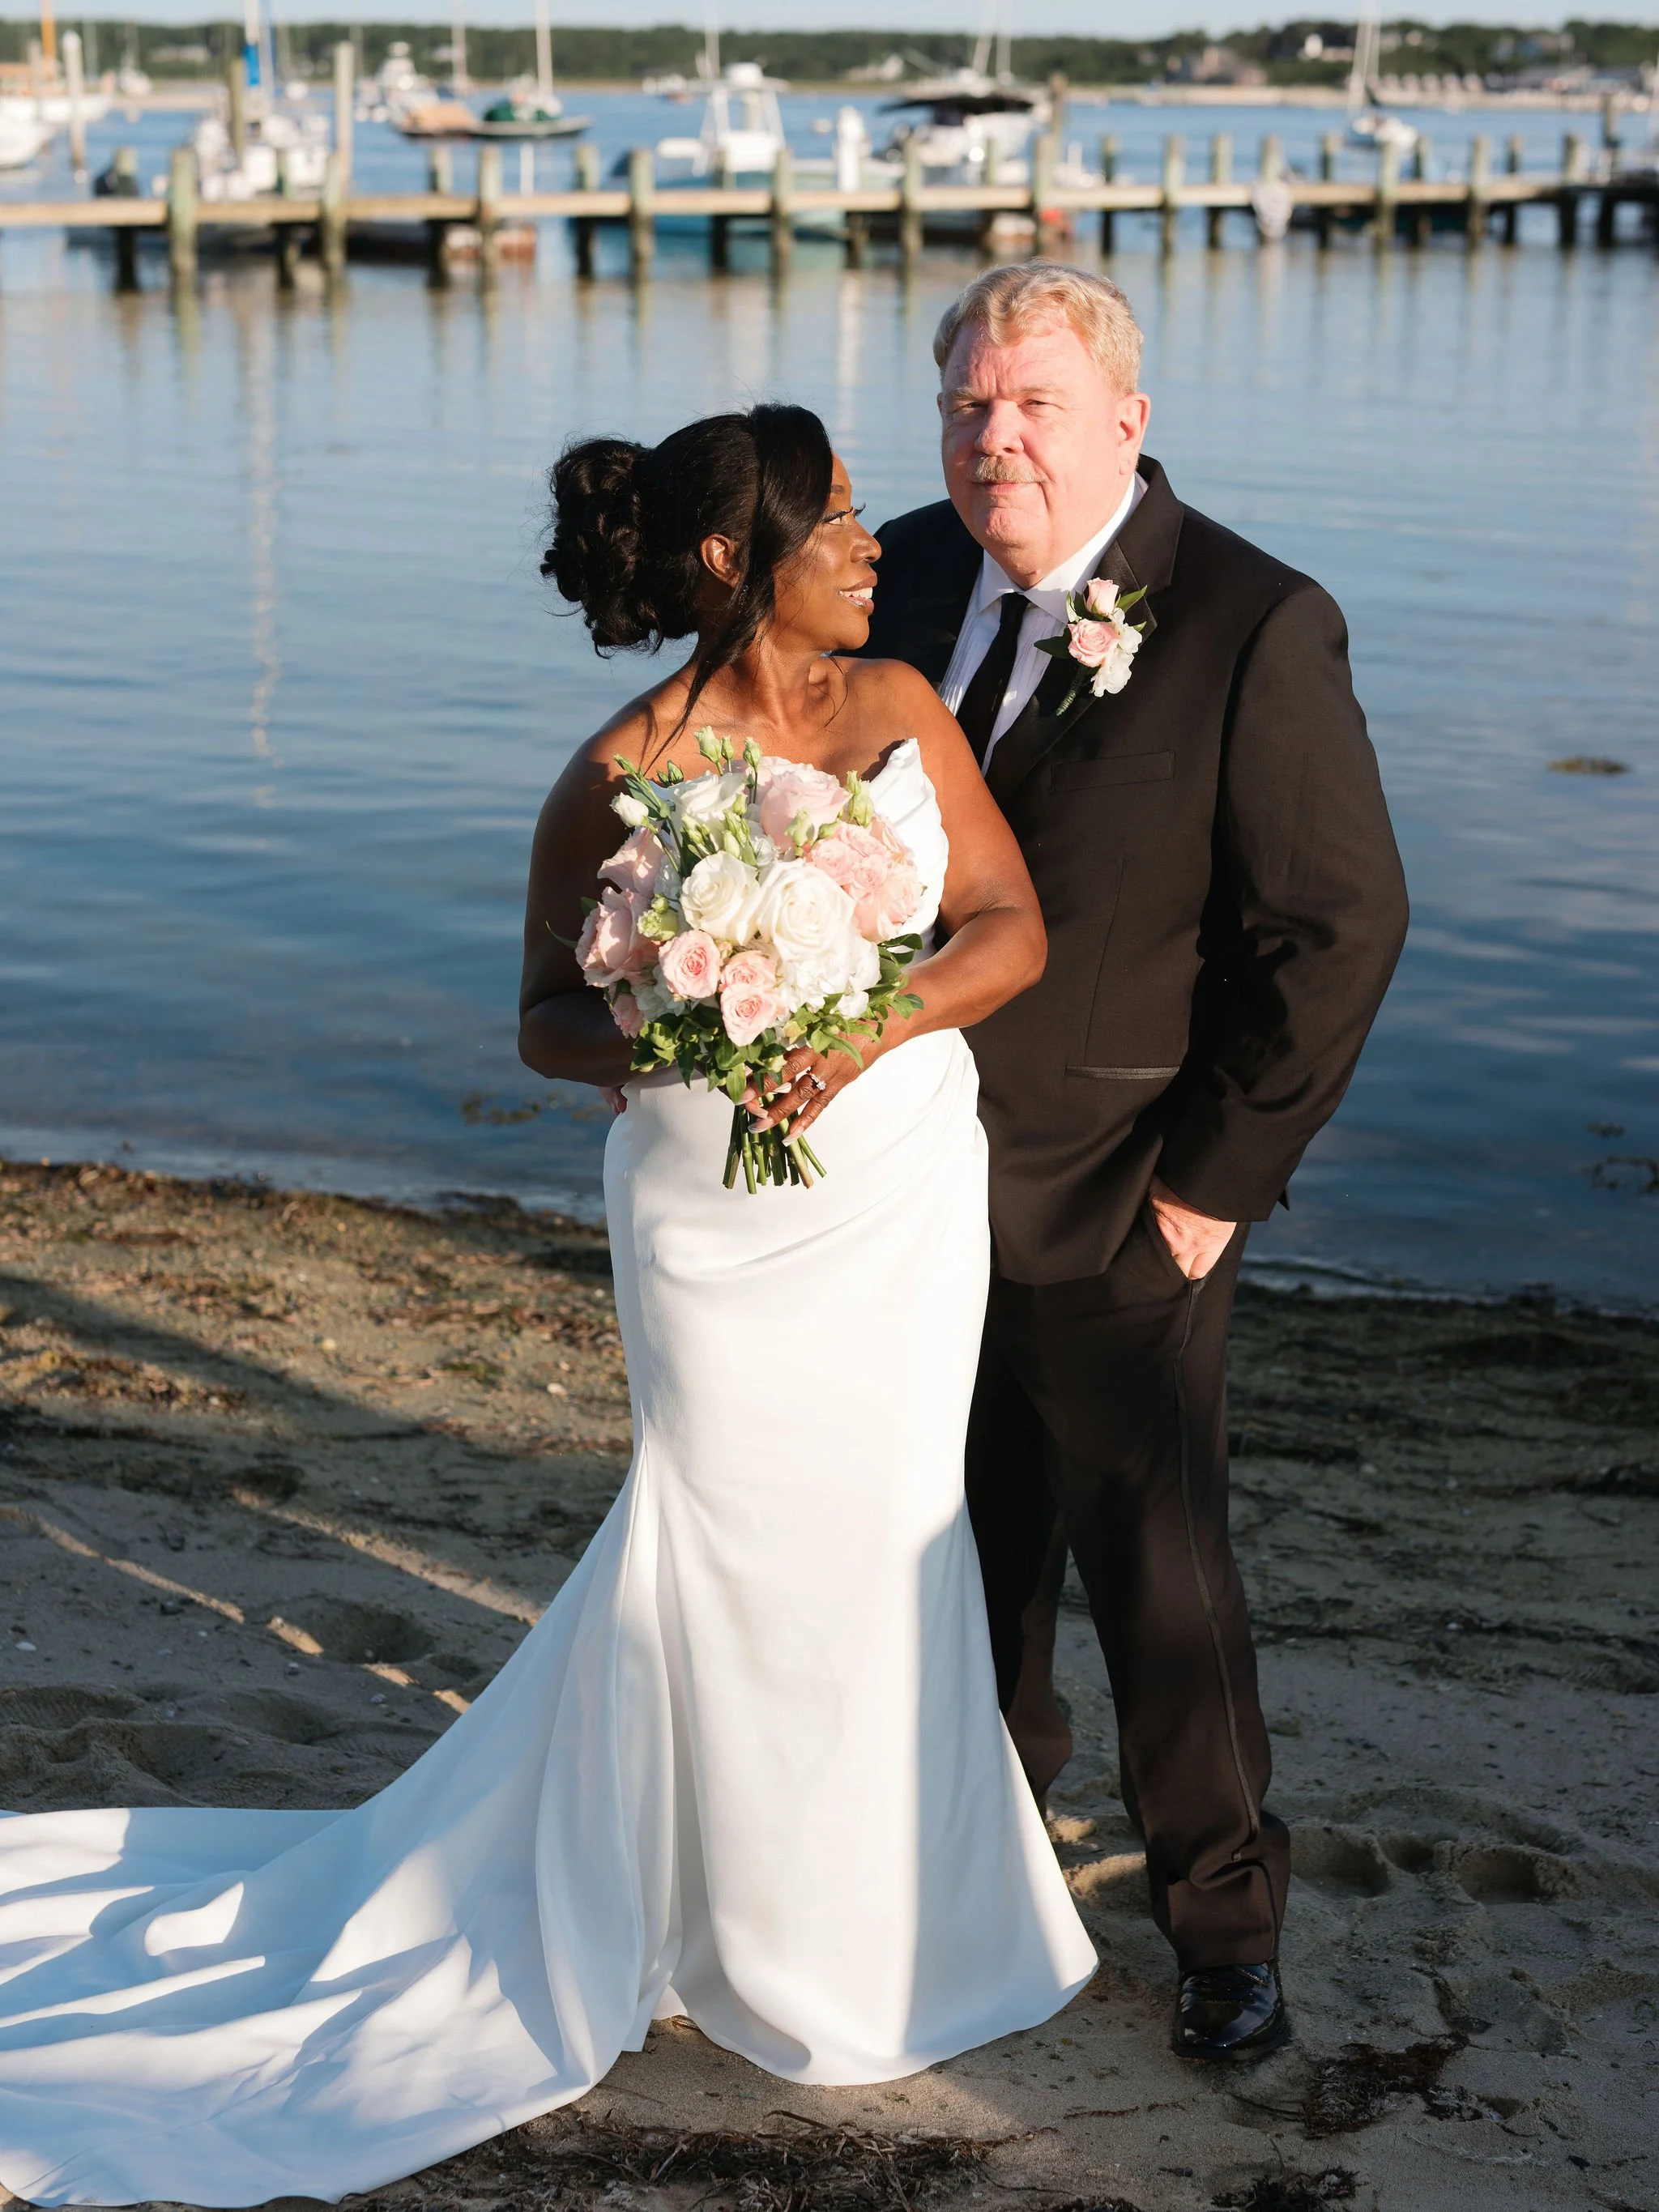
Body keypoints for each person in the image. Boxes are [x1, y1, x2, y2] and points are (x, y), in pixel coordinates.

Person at [0, 405, 1094, 2210]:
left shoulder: (901, 701)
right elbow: (540, 1018)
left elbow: (1008, 929)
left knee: (891, 1525)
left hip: (896, 1190)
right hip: (711, 1217)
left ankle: (885, 1922)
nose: (870, 543)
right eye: (834, 519)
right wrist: (692, 1019)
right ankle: (715, 1915)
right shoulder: (619, 766)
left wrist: (860, 1024)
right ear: (736, 558)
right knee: (725, 1538)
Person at [863, 265, 1409, 2064]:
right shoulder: (903, 578)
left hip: (1123, 1199)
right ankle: (982, 1868)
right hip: (899, 1192)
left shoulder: (1253, 622)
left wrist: (1210, 1190)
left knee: (1162, 1588)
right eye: (967, 406)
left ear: (1127, 421)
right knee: (960, 1558)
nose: (994, 438)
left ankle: (1225, 1932)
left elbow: (1333, 929)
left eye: (1030, 403)